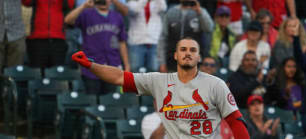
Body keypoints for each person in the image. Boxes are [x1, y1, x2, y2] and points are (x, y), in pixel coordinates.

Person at [71, 37, 250, 138]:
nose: (188, 53)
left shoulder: (216, 84)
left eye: (193, 50)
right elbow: (119, 77)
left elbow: (236, 122)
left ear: (199, 57)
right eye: (183, 49)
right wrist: (91, 65)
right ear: (175, 55)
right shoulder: (159, 80)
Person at [64, 0, 129, 94]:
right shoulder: (87, 13)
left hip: (112, 65)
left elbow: (122, 42)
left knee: (110, 101)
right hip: (92, 65)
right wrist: (84, 5)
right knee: (92, 98)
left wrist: (127, 65)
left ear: (111, 0)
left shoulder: (117, 17)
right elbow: (68, 20)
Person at [22, 0, 74, 68]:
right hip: (37, 39)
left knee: (57, 73)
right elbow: (26, 2)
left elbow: (70, 3)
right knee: (37, 71)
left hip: (58, 39)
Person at [158, 0, 214, 73]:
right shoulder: (171, 12)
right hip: (173, 61)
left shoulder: (200, 11)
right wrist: (162, 63)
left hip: (194, 62)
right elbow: (163, 38)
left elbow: (209, 28)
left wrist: (200, 12)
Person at [127, 0, 167, 72]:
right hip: (136, 43)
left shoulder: (154, 4)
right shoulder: (131, 3)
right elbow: (136, 9)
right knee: (135, 71)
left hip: (153, 42)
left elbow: (164, 7)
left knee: (153, 71)